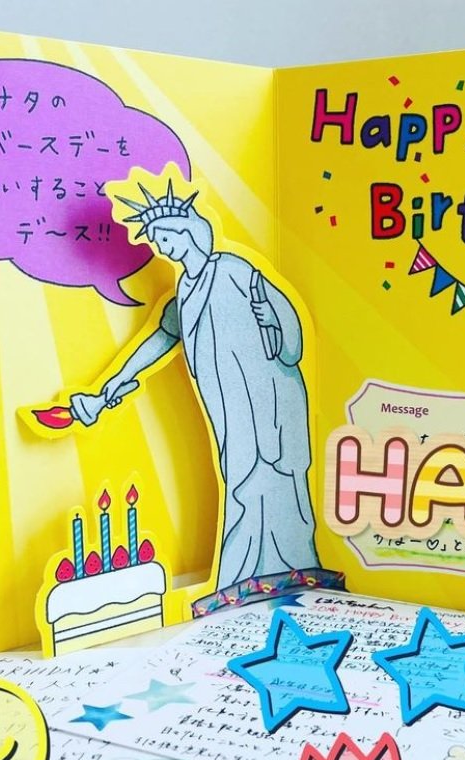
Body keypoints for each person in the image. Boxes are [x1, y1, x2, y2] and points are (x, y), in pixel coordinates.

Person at [98, 181, 319, 591]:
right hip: (231, 405)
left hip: (270, 396)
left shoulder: (233, 269)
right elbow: (162, 337)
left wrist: (273, 323)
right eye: (157, 242)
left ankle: (292, 563)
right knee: (241, 478)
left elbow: (287, 329)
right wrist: (116, 380)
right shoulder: (185, 290)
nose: (163, 248)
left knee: (277, 476)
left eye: (166, 238)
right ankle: (243, 572)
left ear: (187, 231)